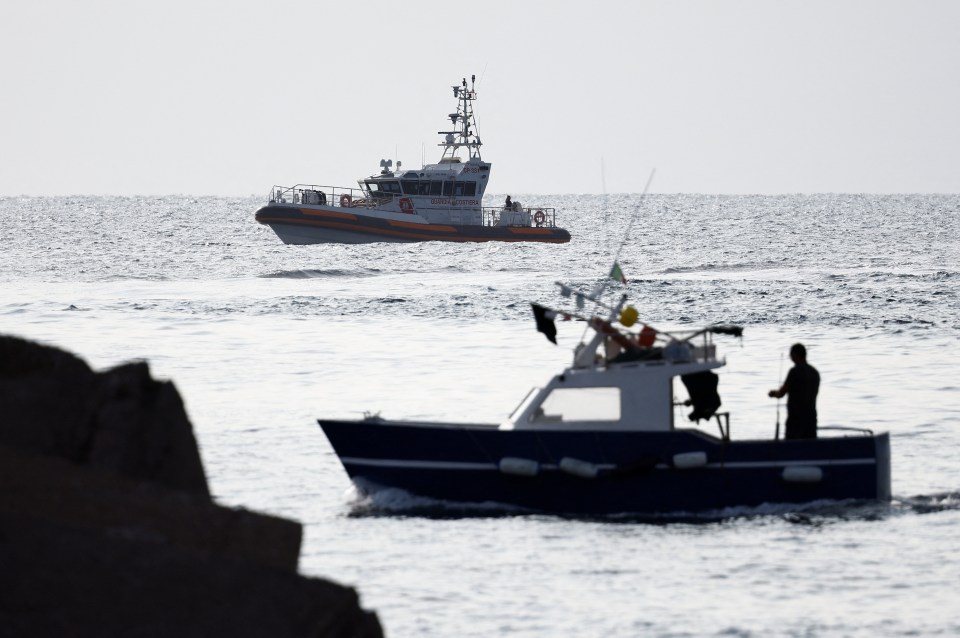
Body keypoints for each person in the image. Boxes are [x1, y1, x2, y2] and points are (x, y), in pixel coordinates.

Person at [768, 343, 820, 439]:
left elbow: (781, 393)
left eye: (791, 354)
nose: (790, 357)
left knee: (792, 448)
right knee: (810, 448)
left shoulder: (794, 372)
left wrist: (772, 394)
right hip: (811, 417)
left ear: (795, 355)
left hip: (796, 419)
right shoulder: (815, 373)